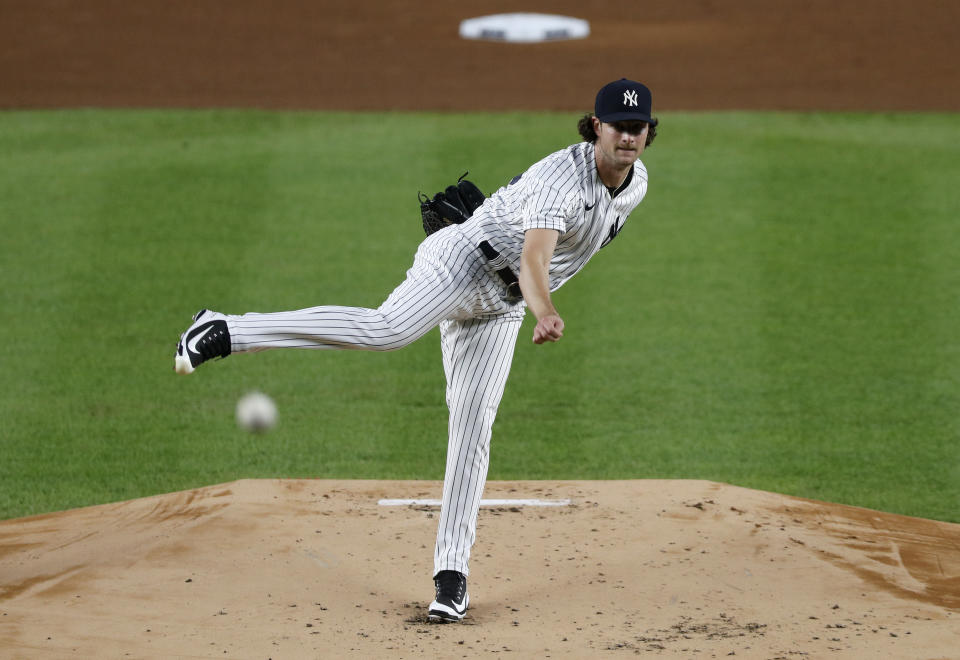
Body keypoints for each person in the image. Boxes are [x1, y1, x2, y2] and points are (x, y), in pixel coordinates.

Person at [174, 78, 657, 623]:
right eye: (617, 125)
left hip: (500, 306)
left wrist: (524, 289)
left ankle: (452, 577)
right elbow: (534, 262)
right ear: (596, 126)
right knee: (389, 329)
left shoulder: (636, 184)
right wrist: (545, 311)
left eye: (637, 127)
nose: (627, 137)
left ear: (648, 132)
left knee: (474, 425)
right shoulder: (560, 182)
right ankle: (228, 329)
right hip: (461, 264)